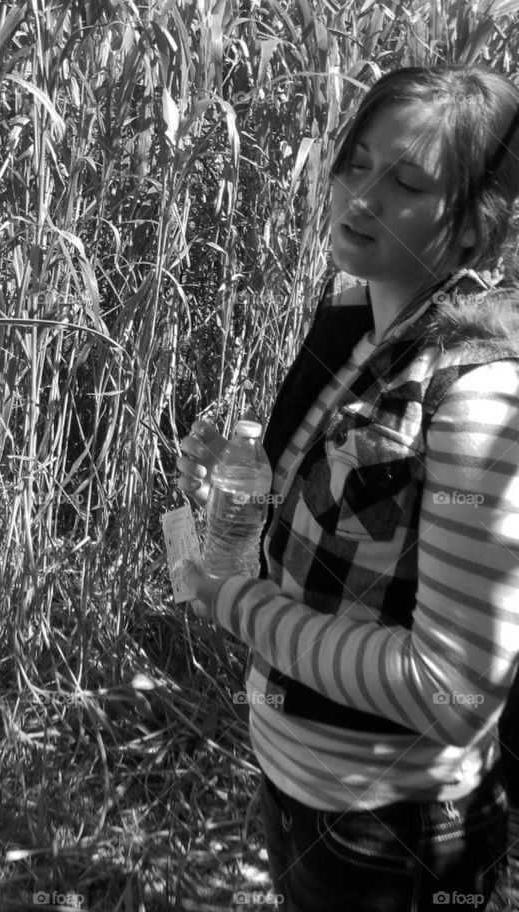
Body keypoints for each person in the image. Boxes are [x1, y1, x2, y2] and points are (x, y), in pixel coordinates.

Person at [177, 65, 519, 911]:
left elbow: (456, 692)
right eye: (355, 163)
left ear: (475, 234)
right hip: (300, 783)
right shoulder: (356, 315)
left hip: (391, 835)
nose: (358, 197)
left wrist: (233, 603)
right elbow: (344, 536)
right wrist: (238, 486)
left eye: (405, 182)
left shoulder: (478, 398)